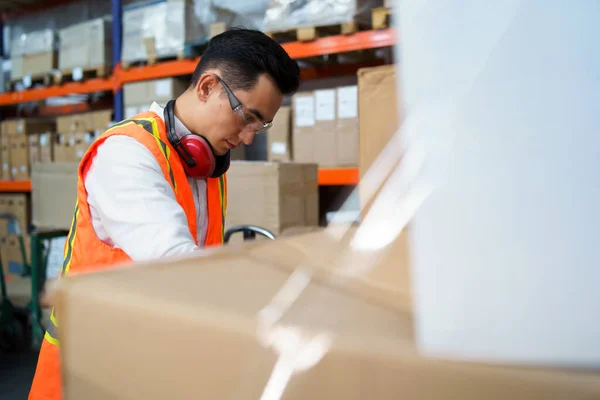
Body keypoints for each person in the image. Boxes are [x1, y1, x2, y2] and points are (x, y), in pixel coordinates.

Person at [28, 28, 300, 400]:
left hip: (149, 366)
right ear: (207, 87)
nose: (250, 137)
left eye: (261, 125)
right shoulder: (126, 155)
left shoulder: (206, 165)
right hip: (89, 372)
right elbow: (175, 264)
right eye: (248, 117)